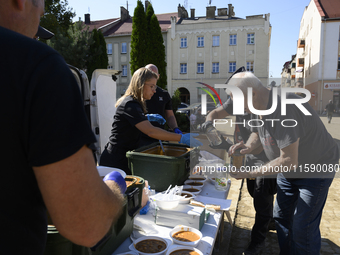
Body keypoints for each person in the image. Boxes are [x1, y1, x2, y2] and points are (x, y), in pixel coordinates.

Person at [0, 1, 126, 254]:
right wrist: (116, 188)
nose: (43, 13)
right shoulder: (36, 65)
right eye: (41, 5)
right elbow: (87, 223)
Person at [227, 71, 338, 255]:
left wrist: (249, 173)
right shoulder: (256, 106)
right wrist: (247, 147)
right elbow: (257, 132)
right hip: (290, 169)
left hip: (315, 168)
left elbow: (288, 160)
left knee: (303, 227)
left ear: (252, 93)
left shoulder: (285, 107)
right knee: (282, 218)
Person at [202, 95, 276, 255]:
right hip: (248, 151)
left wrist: (248, 147)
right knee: (252, 191)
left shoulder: (263, 102)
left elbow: (259, 134)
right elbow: (214, 114)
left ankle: (258, 242)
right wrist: (209, 125)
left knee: (262, 195)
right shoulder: (234, 100)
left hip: (267, 154)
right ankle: (269, 219)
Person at [100, 67, 202, 174]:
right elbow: (151, 131)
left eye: (155, 86)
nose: (154, 91)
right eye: (152, 86)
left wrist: (146, 117)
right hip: (114, 160)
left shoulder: (135, 103)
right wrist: (181, 137)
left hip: (125, 156)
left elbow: (131, 122)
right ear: (140, 85)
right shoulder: (130, 104)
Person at [139, 64, 182, 147]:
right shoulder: (136, 96)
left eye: (154, 74)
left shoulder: (164, 94)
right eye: (149, 74)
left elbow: (170, 115)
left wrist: (175, 128)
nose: (153, 91)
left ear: (157, 76)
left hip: (159, 136)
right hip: (141, 137)